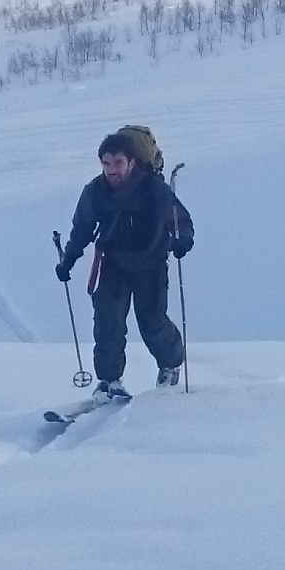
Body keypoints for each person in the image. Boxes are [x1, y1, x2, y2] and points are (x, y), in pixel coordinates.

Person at [56, 125, 192, 395]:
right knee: (107, 323)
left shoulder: (153, 189)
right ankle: (109, 382)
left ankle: (171, 364)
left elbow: (181, 220)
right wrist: (68, 259)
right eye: (106, 163)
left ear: (132, 162)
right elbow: (82, 227)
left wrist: (182, 240)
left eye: (118, 162)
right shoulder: (95, 191)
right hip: (112, 265)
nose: (111, 170)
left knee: (152, 322)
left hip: (150, 265)